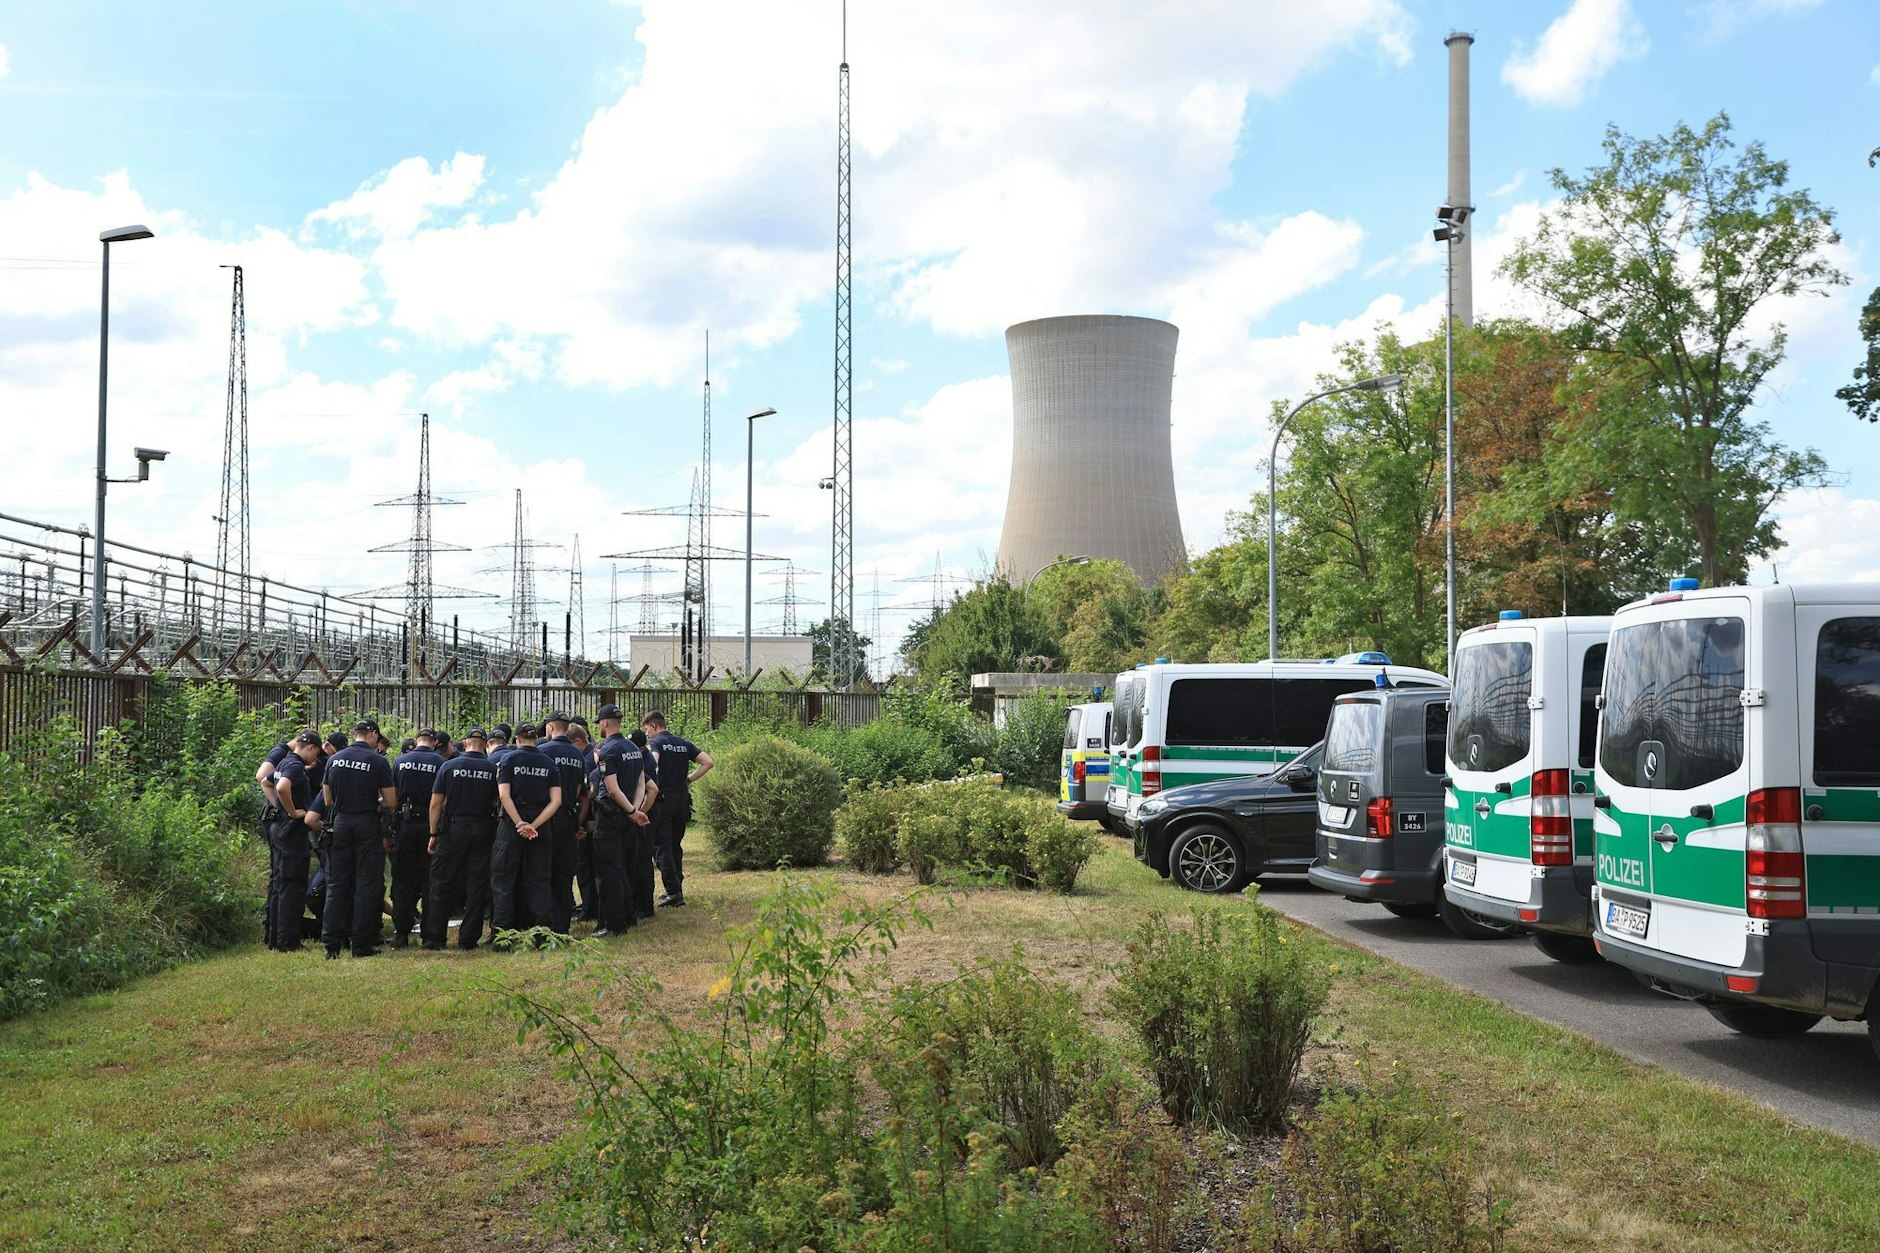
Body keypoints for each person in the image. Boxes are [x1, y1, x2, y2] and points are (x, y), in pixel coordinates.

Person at [320, 719, 397, 959]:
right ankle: (361, 943)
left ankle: (332, 944)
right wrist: (374, 803)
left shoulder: (334, 759)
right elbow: (391, 801)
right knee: (367, 883)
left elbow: (327, 800)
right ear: (372, 735)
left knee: (337, 884)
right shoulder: (378, 760)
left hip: (341, 822)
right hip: (366, 823)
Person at [426, 727, 499, 951]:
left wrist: (433, 833)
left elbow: (436, 804)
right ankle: (468, 939)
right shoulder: (492, 768)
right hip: (483, 827)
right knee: (478, 883)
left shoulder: (448, 766)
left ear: (464, 743)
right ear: (486, 744)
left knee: (441, 881)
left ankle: (435, 938)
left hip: (455, 828)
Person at [491, 724, 562, 949]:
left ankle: (503, 938)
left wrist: (520, 822)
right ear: (535, 738)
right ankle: (543, 936)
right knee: (539, 880)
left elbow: (504, 795)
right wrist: (535, 825)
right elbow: (556, 801)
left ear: (517, 739)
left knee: (503, 879)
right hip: (541, 825)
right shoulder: (549, 763)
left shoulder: (509, 760)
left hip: (512, 824)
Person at [589, 704, 651, 937]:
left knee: (609, 871)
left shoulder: (608, 751)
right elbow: (641, 782)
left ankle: (614, 924)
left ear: (604, 723)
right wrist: (634, 810)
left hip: (611, 818)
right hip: (628, 819)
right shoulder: (634, 748)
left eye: (599, 724)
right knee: (626, 867)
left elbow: (613, 790)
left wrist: (628, 810)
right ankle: (628, 915)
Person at [643, 711, 712, 908]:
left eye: (647, 729)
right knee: (675, 844)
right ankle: (677, 887)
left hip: (663, 799)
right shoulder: (684, 743)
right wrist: (688, 780)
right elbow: (708, 762)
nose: (647, 733)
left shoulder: (655, 744)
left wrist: (645, 782)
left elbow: (652, 763)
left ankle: (673, 892)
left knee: (661, 846)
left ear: (654, 726)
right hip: (681, 798)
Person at [267, 731, 326, 952]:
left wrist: (278, 808)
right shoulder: (294, 766)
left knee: (281, 885)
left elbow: (266, 781)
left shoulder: (285, 761)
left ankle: (275, 937)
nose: (316, 760)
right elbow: (282, 787)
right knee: (293, 886)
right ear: (310, 747)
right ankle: (288, 942)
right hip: (292, 832)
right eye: (316, 754)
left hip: (278, 828)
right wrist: (292, 812)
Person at [389, 728, 445, 948]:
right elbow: (442, 799)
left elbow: (391, 797)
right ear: (434, 742)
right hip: (430, 826)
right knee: (430, 880)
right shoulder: (441, 763)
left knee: (402, 879)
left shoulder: (400, 761)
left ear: (416, 741)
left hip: (404, 825)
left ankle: (401, 933)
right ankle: (429, 935)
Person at [538, 711, 588, 936]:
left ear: (550, 728)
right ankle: (562, 925)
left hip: (546, 819)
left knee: (542, 870)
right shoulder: (578, 755)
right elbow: (582, 795)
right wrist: (577, 822)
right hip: (568, 817)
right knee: (564, 872)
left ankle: (544, 925)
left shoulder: (542, 751)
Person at [625, 726, 661, 921]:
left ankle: (645, 906)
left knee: (642, 860)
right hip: (644, 813)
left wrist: (640, 813)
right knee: (640, 860)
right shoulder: (644, 756)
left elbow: (651, 791)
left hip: (646, 814)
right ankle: (641, 903)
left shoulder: (644, 762)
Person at [568, 717, 598, 921]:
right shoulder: (593, 751)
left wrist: (578, 823)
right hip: (594, 819)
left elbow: (587, 795)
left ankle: (589, 908)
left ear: (577, 741)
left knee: (585, 866)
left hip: (588, 820)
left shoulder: (585, 760)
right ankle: (589, 904)